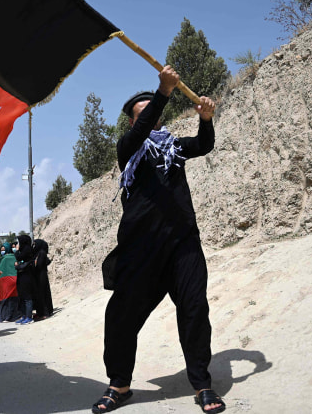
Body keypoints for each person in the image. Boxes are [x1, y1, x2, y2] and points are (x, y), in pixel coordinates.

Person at [91, 66, 222, 414]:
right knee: (120, 316)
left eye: (155, 113)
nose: (154, 120)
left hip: (182, 245)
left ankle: (203, 385)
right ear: (136, 123)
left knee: (195, 311)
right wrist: (163, 91)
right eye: (145, 115)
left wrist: (206, 119)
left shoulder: (174, 150)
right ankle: (119, 384)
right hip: (140, 250)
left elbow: (204, 145)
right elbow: (144, 126)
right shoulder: (127, 149)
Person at [0, 242, 21, 323]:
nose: (3, 251)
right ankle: (14, 315)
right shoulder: (15, 256)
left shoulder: (3, 259)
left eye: (3, 250)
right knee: (14, 299)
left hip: (6, 282)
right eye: (1, 250)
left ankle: (6, 316)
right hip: (14, 280)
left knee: (6, 299)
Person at [13, 235, 35, 325]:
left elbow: (18, 257)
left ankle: (29, 317)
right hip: (22, 276)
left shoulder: (27, 249)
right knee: (22, 297)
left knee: (27, 298)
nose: (18, 244)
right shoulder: (24, 249)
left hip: (27, 276)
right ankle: (24, 316)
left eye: (19, 242)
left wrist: (17, 251)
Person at [32, 239, 54, 320]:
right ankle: (41, 312)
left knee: (43, 294)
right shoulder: (37, 253)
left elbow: (39, 265)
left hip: (41, 276)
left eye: (35, 244)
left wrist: (32, 265)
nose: (33, 246)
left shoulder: (41, 253)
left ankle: (45, 313)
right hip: (38, 276)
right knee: (40, 295)